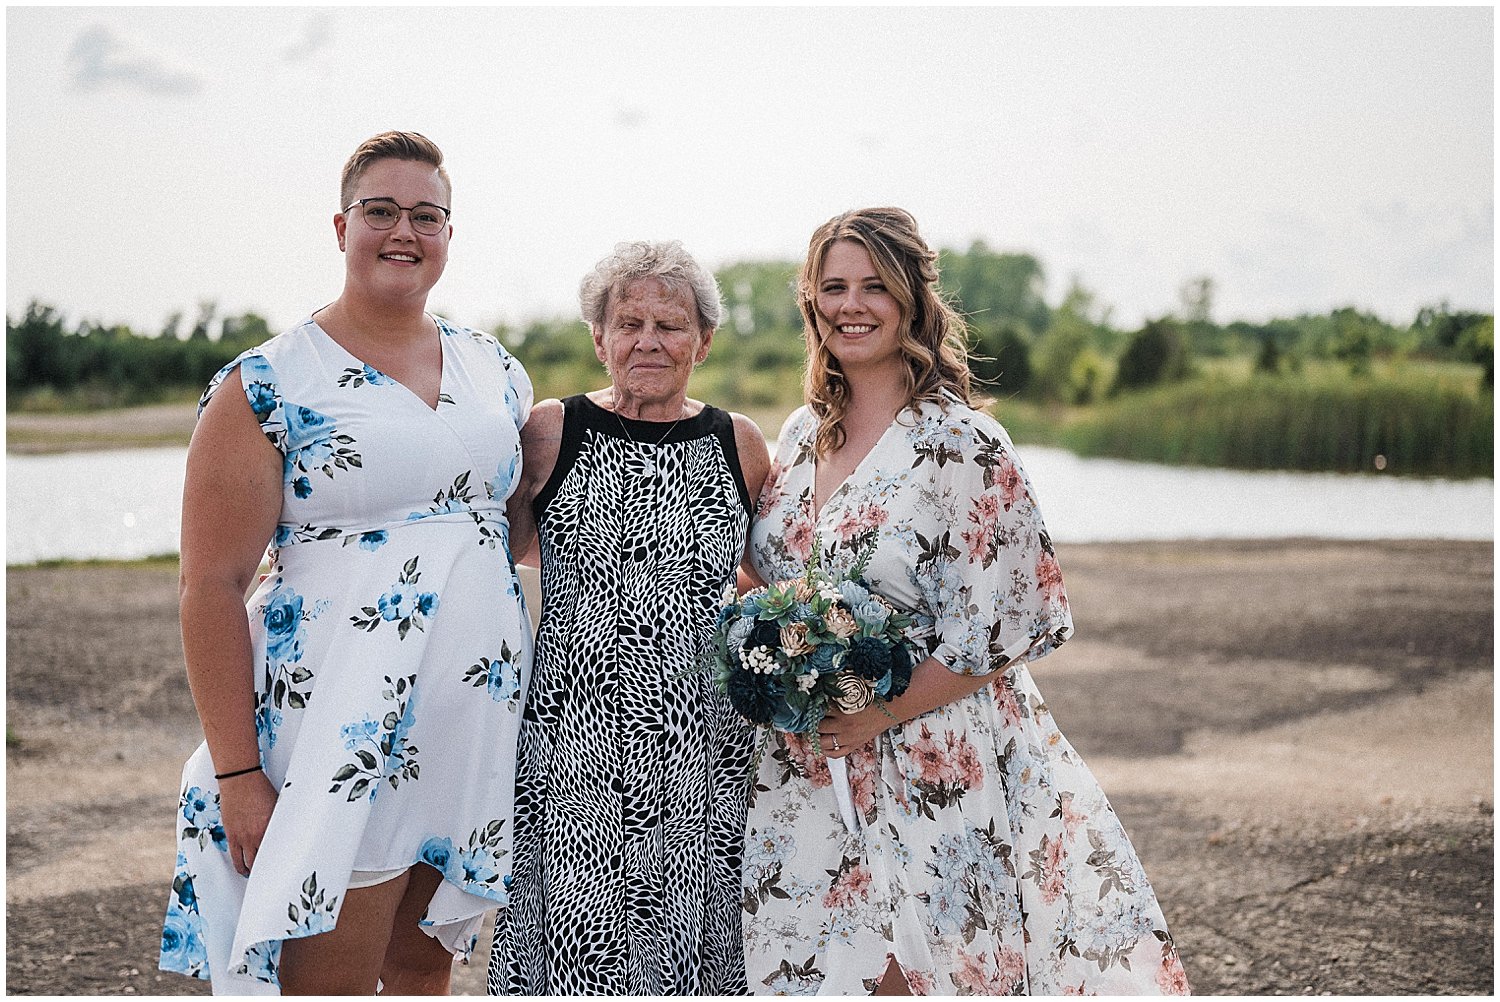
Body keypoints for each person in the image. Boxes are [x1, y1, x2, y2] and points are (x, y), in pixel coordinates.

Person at [742, 208, 1190, 996]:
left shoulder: (964, 444)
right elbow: (774, 577)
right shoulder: (799, 434)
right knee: (813, 975)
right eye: (834, 285)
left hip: (933, 756)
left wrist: (879, 714)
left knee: (925, 975)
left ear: (913, 298)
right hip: (808, 770)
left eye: (875, 285)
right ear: (811, 300)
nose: (853, 304)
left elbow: (1011, 624)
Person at [159, 131, 534, 995]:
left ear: (449, 232)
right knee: (324, 982)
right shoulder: (268, 384)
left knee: (418, 976)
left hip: (466, 732)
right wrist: (240, 776)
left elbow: (502, 533)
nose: (404, 231)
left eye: (426, 216)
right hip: (335, 731)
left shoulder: (494, 368)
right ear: (340, 226)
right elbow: (209, 587)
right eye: (381, 211)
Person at [487, 240, 771, 995]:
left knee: (691, 937)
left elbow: (766, 579)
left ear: (703, 342)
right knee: (575, 943)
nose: (649, 340)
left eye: (671, 325)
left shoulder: (739, 443)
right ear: (599, 338)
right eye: (630, 322)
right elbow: (492, 554)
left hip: (700, 741)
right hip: (572, 735)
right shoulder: (552, 430)